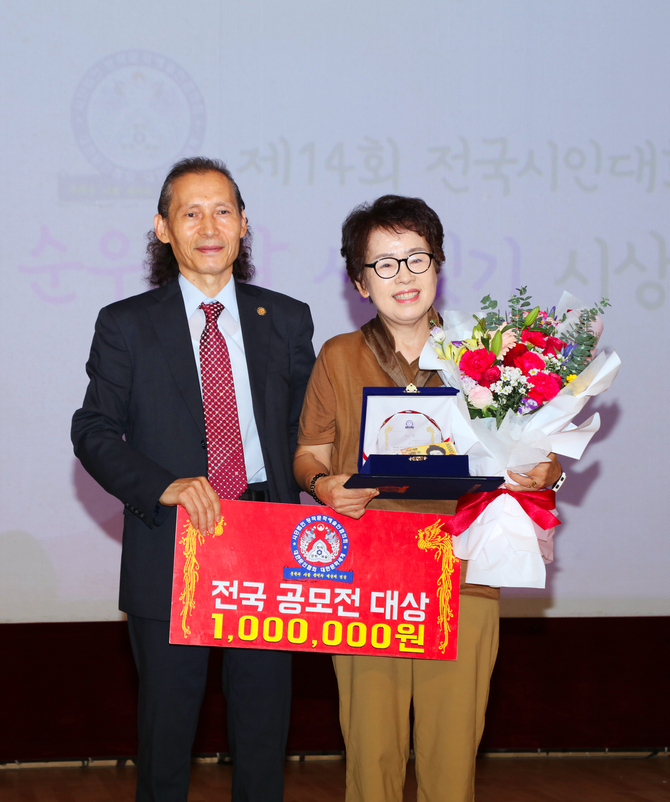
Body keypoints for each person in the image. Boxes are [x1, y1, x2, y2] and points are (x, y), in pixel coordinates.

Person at [293, 194, 562, 802]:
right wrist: (322, 485)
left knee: (451, 747)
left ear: (438, 265)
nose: (404, 275)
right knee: (372, 749)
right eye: (384, 264)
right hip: (366, 571)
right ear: (360, 282)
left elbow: (536, 454)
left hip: (463, 564)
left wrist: (543, 471)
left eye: (417, 257)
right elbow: (310, 450)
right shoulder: (338, 356)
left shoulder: (488, 355)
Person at [71, 157, 315, 802]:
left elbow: (307, 430)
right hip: (172, 541)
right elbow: (94, 430)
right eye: (191, 212)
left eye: (223, 211)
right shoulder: (126, 323)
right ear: (163, 228)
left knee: (263, 728)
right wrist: (165, 484)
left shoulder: (287, 319)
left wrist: (330, 481)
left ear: (244, 224)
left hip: (267, 542)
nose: (209, 227)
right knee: (167, 730)